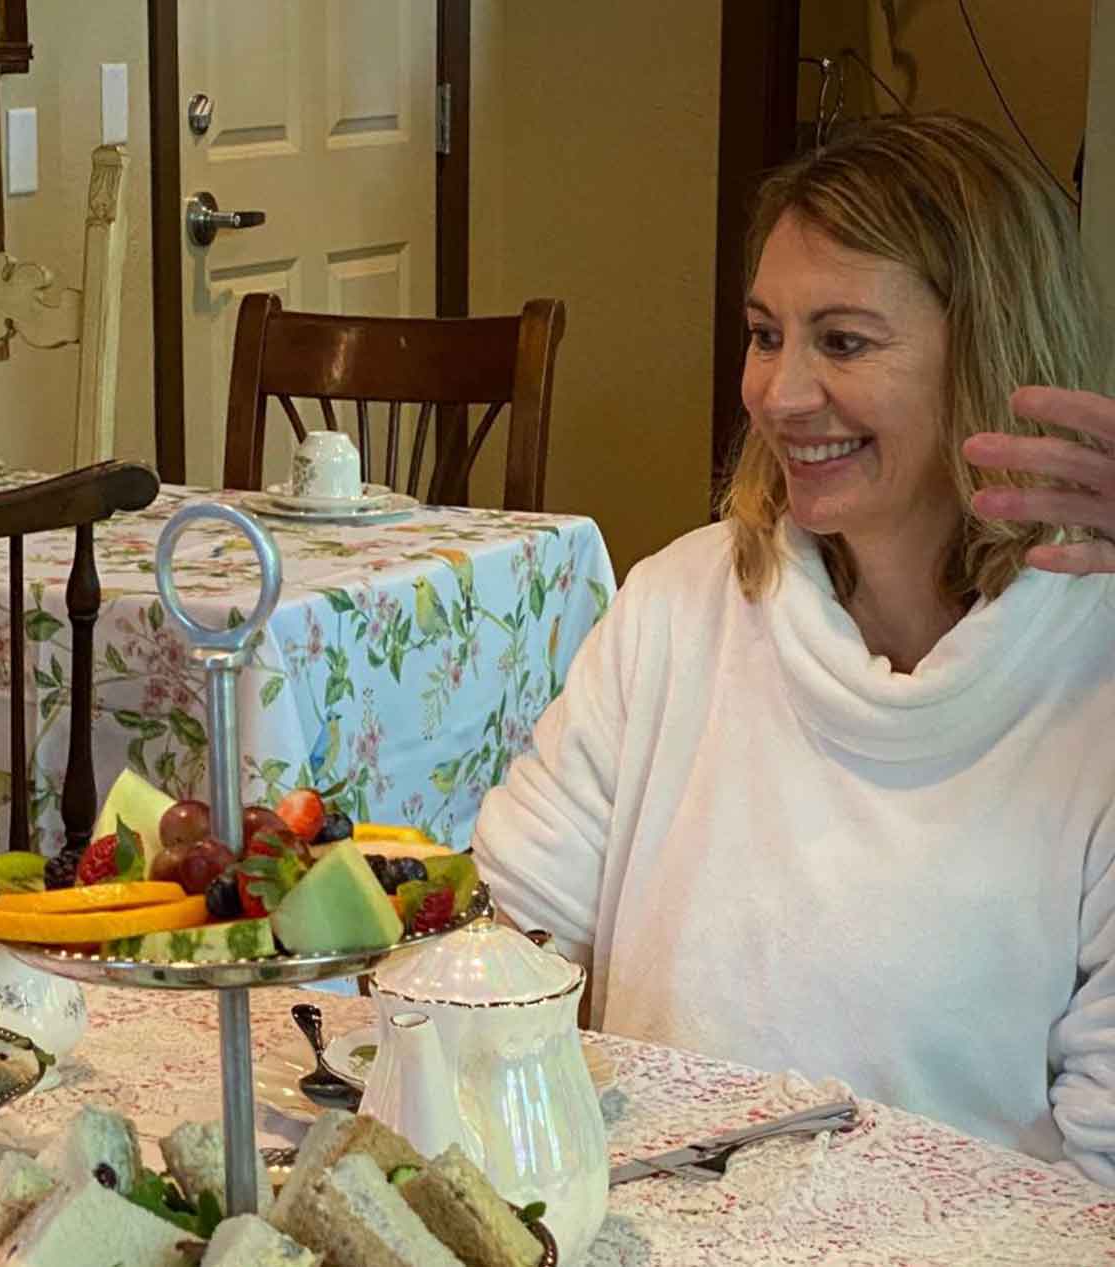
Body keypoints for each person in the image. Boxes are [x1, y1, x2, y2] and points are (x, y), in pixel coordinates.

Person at [471, 112, 1115, 1186]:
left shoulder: (1091, 680)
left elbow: (1098, 1181)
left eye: (843, 341)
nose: (779, 393)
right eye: (766, 334)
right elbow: (508, 947)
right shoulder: (679, 606)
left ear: (988, 356)